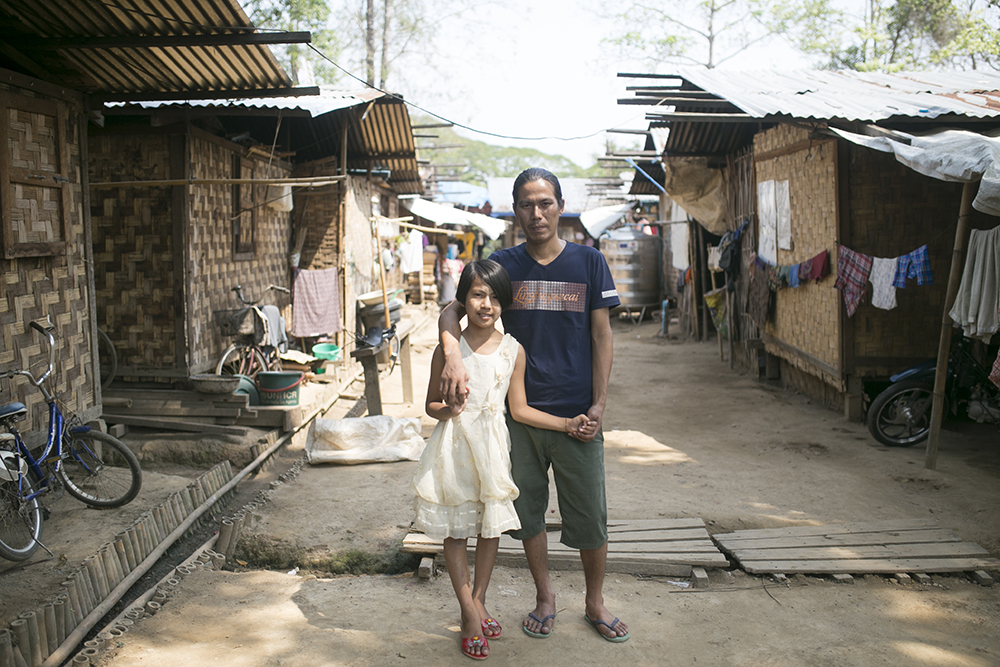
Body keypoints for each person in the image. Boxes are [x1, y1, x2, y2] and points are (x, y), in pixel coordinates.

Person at [438, 168, 629, 643]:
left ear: (561, 206)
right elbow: (451, 308)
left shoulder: (589, 262)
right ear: (516, 209)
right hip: (514, 418)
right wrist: (451, 356)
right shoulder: (503, 265)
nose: (537, 213)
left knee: (590, 514)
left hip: (578, 415)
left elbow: (602, 334)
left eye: (545, 203)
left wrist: (600, 402)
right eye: (527, 204)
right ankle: (545, 597)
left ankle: (594, 601)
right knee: (527, 514)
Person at [413, 259, 595, 660]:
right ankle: (468, 614)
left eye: (495, 297)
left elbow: (521, 408)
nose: (486, 304)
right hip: (454, 446)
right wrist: (450, 411)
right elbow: (431, 405)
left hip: (495, 447)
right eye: (478, 295)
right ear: (463, 300)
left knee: (490, 529)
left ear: (505, 305)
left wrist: (566, 424)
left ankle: (479, 598)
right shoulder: (449, 348)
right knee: (457, 530)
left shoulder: (514, 350)